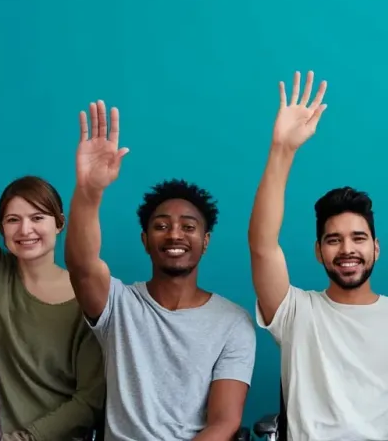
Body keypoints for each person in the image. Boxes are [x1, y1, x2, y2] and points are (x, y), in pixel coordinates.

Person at [248, 71, 388, 441]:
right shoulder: (295, 312)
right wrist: (282, 149)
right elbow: (262, 245)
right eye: (334, 240)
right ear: (318, 251)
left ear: (376, 248)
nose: (347, 249)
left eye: (358, 238)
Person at [0, 21, 105, 440]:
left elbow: (90, 399)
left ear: (59, 224)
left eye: (38, 218)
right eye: (13, 219)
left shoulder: (89, 298)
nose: (25, 229)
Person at [63, 100, 256, 441]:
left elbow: (223, 423)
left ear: (205, 240)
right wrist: (89, 191)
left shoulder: (233, 323)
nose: (175, 234)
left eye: (188, 226)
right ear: (145, 240)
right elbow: (81, 265)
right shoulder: (118, 305)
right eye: (162, 225)